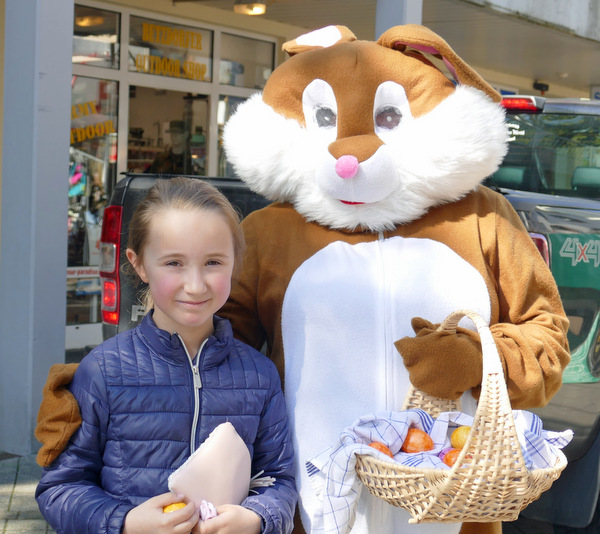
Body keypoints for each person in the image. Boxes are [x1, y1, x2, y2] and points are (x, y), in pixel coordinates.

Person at [35, 177, 297, 534]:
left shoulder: (260, 375)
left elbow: (279, 479)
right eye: (174, 263)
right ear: (139, 264)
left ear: (236, 263)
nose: (195, 284)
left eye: (213, 262)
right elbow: (59, 489)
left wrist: (257, 518)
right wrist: (125, 522)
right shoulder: (103, 371)